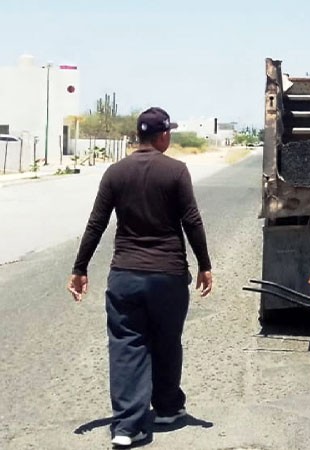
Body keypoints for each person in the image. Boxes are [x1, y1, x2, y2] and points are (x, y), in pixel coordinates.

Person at [67, 107, 213, 447]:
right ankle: (166, 408)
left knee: (126, 346)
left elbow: (96, 223)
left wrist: (80, 268)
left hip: (125, 275)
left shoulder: (115, 173)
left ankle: (126, 427)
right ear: (163, 136)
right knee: (166, 340)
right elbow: (192, 221)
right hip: (168, 275)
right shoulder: (176, 171)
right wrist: (205, 264)